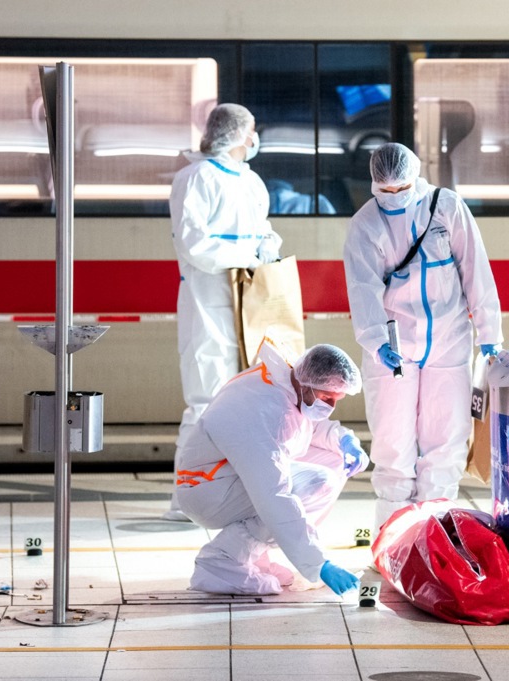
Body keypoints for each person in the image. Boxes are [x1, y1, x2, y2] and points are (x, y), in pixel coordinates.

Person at [342, 142, 504, 535]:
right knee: (393, 446)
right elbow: (362, 290)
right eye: (386, 190)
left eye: (401, 188)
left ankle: (437, 536)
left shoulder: (445, 208)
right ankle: (393, 539)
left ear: (415, 178)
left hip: (448, 342)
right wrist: (376, 341)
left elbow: (475, 272)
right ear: (374, 184)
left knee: (446, 441)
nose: (394, 196)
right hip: (392, 349)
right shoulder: (365, 225)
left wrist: (490, 334)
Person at [176, 340, 368, 595]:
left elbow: (307, 426)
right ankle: (221, 561)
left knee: (336, 458)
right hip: (205, 489)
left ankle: (254, 556)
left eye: (337, 399)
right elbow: (273, 494)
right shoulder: (264, 409)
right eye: (327, 398)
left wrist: (345, 440)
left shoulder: (288, 383)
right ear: (309, 384)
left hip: (225, 476)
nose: (331, 406)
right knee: (316, 483)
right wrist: (318, 564)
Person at [165, 103, 281, 520]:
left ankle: (227, 495)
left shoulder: (250, 182)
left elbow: (262, 230)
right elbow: (194, 246)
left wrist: (267, 245)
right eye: (251, 131)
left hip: (246, 307)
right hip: (207, 307)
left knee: (246, 403)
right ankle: (185, 499)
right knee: (206, 402)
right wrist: (247, 251)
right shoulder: (194, 179)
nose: (254, 140)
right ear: (235, 134)